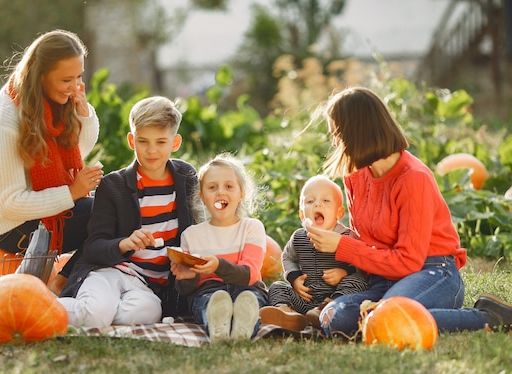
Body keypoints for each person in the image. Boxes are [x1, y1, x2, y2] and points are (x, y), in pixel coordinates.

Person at [304, 86, 512, 338]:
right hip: (384, 278)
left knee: (385, 318)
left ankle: (486, 318)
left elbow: (408, 260)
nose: (335, 142)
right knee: (336, 317)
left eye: (337, 133)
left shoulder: (413, 178)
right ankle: (387, 314)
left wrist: (343, 246)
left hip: (433, 271)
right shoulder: (356, 175)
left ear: (356, 133)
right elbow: (367, 244)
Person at [58, 96, 198, 328]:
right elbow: (93, 247)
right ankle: (35, 304)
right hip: (110, 271)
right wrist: (125, 243)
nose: (152, 151)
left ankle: (92, 312)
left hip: (146, 286)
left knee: (146, 314)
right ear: (132, 140)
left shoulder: (185, 178)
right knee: (93, 316)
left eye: (161, 142)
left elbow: (196, 228)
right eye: (143, 141)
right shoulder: (114, 185)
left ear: (175, 143)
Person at [0, 29, 102, 286]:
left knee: (116, 200)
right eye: (66, 80)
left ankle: (67, 280)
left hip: (48, 209)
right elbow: (9, 203)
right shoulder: (7, 120)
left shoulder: (54, 99)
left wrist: (84, 115)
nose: (75, 87)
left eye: (79, 77)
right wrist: (71, 193)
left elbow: (78, 150)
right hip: (14, 228)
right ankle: (62, 283)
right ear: (41, 76)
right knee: (109, 216)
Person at [171, 153, 269, 343]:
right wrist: (188, 277)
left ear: (242, 193)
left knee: (249, 300)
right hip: (208, 293)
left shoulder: (252, 227)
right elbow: (185, 289)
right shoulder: (191, 235)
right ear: (202, 197)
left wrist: (217, 266)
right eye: (212, 187)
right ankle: (218, 329)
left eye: (229, 186)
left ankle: (243, 328)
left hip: (247, 289)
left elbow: (249, 275)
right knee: (210, 301)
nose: (220, 192)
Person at [259, 175, 368, 332]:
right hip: (306, 298)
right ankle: (286, 313)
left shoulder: (345, 237)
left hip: (335, 295)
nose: (317, 204)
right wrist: (294, 278)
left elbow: (359, 262)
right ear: (302, 214)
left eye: (326, 201)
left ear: (339, 213)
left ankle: (327, 310)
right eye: (310, 201)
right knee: (277, 287)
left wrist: (344, 272)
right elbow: (288, 257)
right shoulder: (299, 237)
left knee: (357, 282)